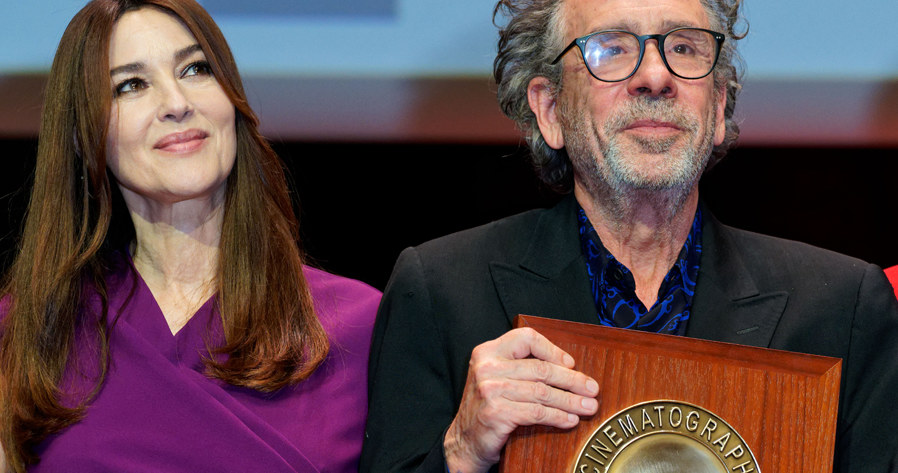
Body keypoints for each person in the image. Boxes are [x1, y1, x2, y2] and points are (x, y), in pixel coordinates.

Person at [360, 0, 898, 472]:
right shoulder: (442, 290)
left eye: (684, 48)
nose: (655, 76)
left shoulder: (842, 306)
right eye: (611, 49)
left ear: (716, 107)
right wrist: (460, 452)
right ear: (550, 110)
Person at [0, 1, 380, 472]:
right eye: (132, 85)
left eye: (196, 69)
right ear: (85, 135)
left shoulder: (362, 326)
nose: (178, 104)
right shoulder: (27, 332)